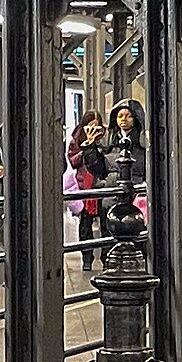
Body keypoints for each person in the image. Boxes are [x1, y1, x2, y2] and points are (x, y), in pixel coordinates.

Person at [66, 113, 109, 275]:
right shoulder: (76, 139)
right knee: (85, 226)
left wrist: (98, 145)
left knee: (106, 225)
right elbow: (73, 161)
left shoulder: (106, 137)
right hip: (84, 187)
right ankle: (87, 258)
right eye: (89, 126)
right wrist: (87, 147)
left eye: (96, 126)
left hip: (102, 185)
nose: (92, 129)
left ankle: (106, 258)